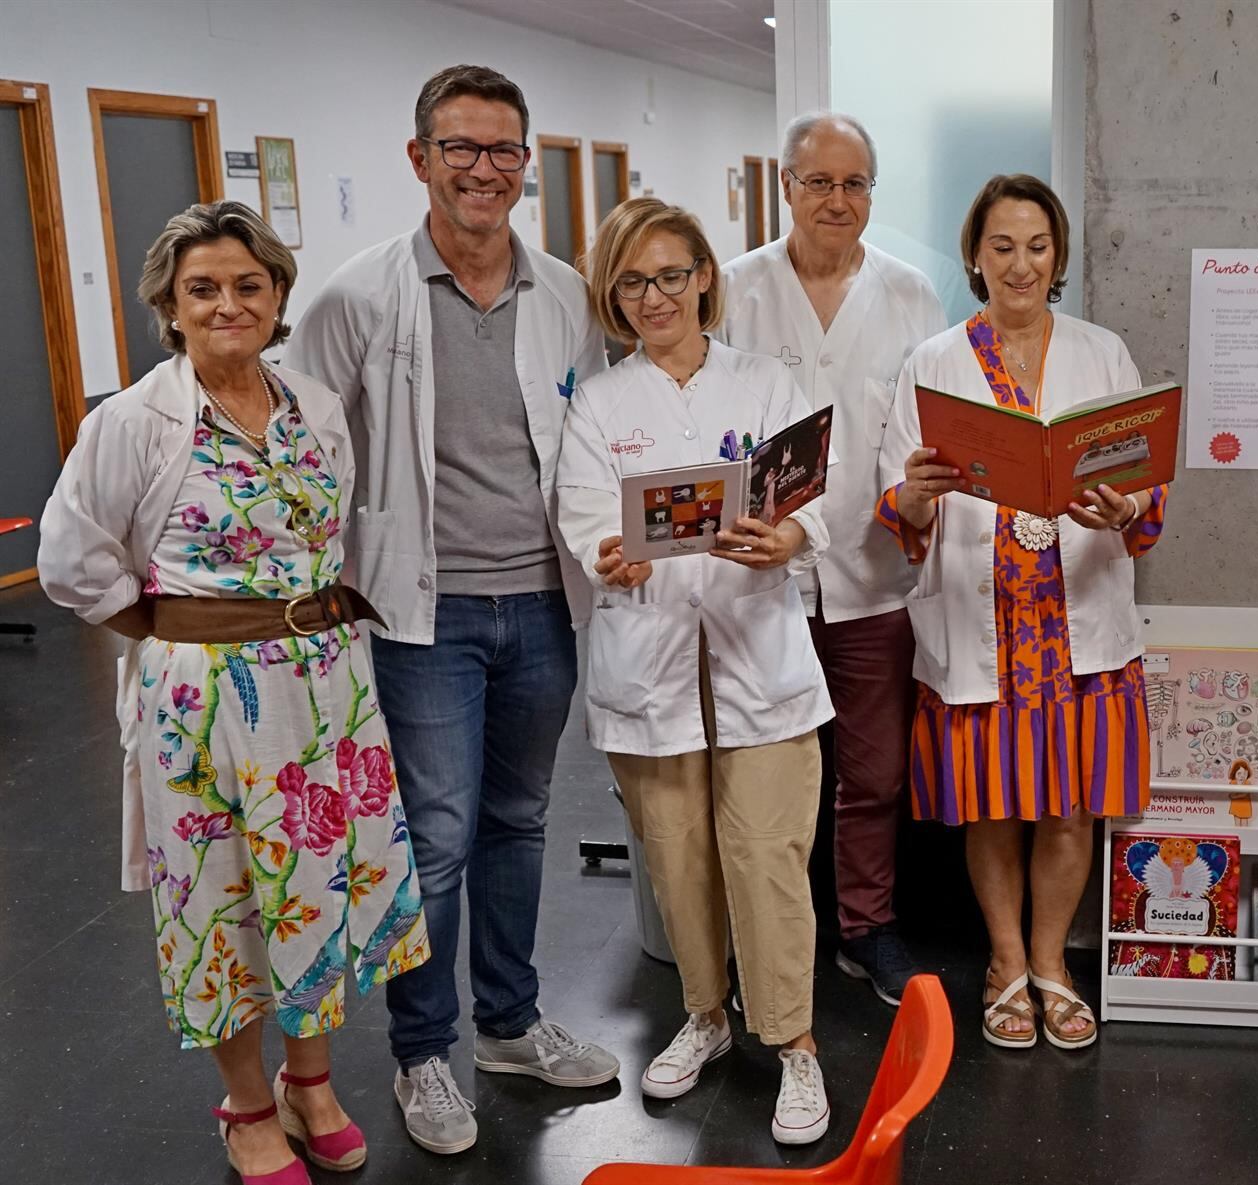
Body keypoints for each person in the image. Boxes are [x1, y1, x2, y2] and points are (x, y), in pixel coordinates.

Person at [39, 201, 426, 1185]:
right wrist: (171, 634)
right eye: (202, 288)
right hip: (205, 701)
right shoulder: (133, 422)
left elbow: (328, 534)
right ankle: (246, 1104)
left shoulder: (313, 407)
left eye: (248, 286)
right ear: (168, 302)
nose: (226, 305)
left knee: (314, 888)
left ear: (278, 296)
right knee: (224, 904)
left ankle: (312, 1080)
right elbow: (71, 563)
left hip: (326, 689)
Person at [283, 64, 617, 1156]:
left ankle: (511, 1026)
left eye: (504, 149)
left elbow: (598, 441)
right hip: (420, 617)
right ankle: (424, 1053)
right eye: (462, 148)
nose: (485, 169)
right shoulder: (359, 296)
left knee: (519, 823)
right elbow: (309, 447)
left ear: (527, 163)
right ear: (419, 158)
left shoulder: (563, 290)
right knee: (432, 839)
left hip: (542, 604)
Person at [557, 198, 836, 1145]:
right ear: (612, 293)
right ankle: (707, 1016)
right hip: (652, 662)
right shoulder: (598, 401)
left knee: (768, 854)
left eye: (672, 274)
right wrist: (609, 553)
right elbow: (586, 515)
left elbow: (811, 498)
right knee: (675, 858)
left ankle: (794, 1040)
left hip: (759, 653)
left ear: (706, 277)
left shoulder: (763, 382)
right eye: (632, 281)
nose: (654, 296)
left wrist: (788, 533)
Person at [877, 174, 1168, 1051]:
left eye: (1037, 246)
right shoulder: (933, 363)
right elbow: (897, 506)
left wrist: (1124, 510)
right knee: (993, 807)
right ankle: (1004, 961)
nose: (1020, 264)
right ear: (975, 255)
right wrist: (919, 496)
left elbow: (1144, 490)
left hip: (1076, 615)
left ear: (1059, 256)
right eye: (1001, 246)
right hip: (982, 622)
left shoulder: (1103, 352)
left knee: (1071, 807)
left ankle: (1052, 962)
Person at [718, 111, 946, 1006]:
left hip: (870, 567)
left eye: (855, 184)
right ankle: (762, 937)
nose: (838, 201)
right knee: (760, 768)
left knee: (873, 769)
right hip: (756, 573)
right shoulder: (733, 288)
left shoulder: (909, 293)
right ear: (785, 186)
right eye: (819, 182)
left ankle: (866, 927)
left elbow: (922, 430)